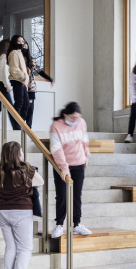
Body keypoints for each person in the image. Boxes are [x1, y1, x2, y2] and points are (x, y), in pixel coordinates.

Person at [0, 141, 39, 269]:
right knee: (25, 248)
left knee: (11, 247)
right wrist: (27, 165)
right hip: (21, 211)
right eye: (21, 152)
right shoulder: (26, 169)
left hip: (3, 212)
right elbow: (40, 181)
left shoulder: (0, 170)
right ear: (18, 155)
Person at [47, 101, 91, 238]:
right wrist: (64, 167)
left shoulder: (81, 123)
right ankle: (59, 225)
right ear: (66, 115)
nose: (75, 120)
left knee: (76, 195)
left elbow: (84, 141)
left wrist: (86, 156)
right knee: (62, 195)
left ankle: (76, 224)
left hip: (79, 163)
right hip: (62, 165)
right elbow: (56, 148)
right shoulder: (56, 126)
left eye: (77, 117)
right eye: (72, 117)